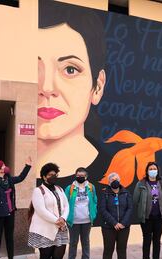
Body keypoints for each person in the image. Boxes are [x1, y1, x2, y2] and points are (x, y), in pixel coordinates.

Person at [37, 0, 106, 177]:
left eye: (70, 69)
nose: (47, 88)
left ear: (97, 87)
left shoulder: (122, 175)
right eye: (33, 69)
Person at [28, 163, 69, 259]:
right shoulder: (38, 191)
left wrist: (63, 218)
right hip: (44, 230)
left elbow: (66, 206)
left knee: (59, 255)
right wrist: (56, 220)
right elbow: (40, 210)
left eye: (55, 174)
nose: (54, 177)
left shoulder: (59, 189)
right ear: (44, 176)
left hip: (60, 228)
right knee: (46, 256)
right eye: (51, 175)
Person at [133, 162, 162, 259]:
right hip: (146, 218)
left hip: (159, 217)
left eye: (154, 168)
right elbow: (135, 199)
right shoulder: (141, 184)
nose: (153, 170)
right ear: (147, 171)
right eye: (150, 169)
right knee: (147, 242)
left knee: (157, 241)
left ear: (158, 170)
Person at [99, 172, 133, 259]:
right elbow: (103, 210)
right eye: (112, 179)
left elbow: (130, 208)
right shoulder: (105, 194)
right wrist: (114, 223)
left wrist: (123, 223)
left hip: (124, 227)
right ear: (109, 182)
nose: (115, 181)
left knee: (122, 250)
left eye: (117, 179)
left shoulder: (126, 192)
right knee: (108, 251)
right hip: (109, 227)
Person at [65, 167, 97, 259]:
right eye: (78, 176)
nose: (80, 177)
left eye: (82, 176)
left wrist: (93, 213)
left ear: (86, 176)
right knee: (73, 243)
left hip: (87, 221)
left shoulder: (91, 187)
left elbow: (95, 201)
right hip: (73, 222)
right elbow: (65, 204)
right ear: (75, 176)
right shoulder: (70, 188)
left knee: (86, 242)